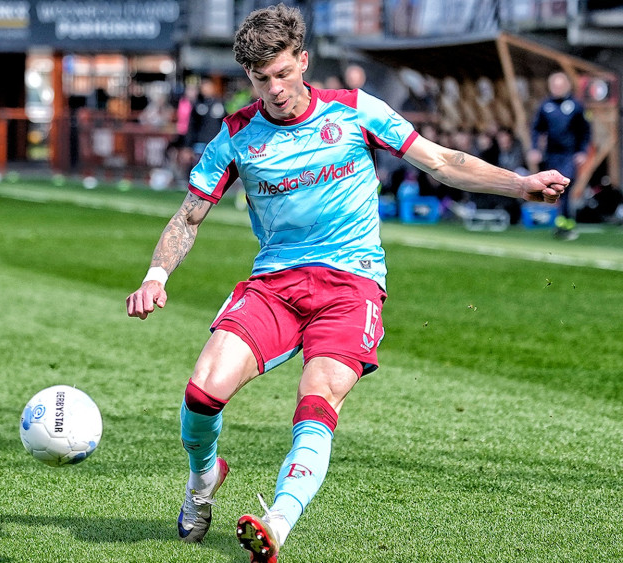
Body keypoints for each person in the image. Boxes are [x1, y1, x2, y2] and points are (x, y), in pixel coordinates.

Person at [124, 5, 568, 562]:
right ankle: (203, 478)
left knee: (317, 399)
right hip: (276, 284)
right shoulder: (236, 135)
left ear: (303, 62)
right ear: (250, 79)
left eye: (284, 73)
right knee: (202, 391)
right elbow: (189, 216)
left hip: (351, 286)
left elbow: (442, 161)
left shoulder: (357, 112)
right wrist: (156, 275)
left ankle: (276, 524)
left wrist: (521, 185)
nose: (276, 89)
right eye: (262, 80)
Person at [528, 71, 591, 240]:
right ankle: (562, 223)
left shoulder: (576, 106)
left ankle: (566, 223)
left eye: (560, 85)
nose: (557, 88)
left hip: (569, 154)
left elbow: (585, 131)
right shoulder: (545, 106)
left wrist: (582, 151)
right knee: (555, 188)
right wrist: (535, 149)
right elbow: (536, 129)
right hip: (551, 154)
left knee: (564, 185)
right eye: (554, 85)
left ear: (567, 86)